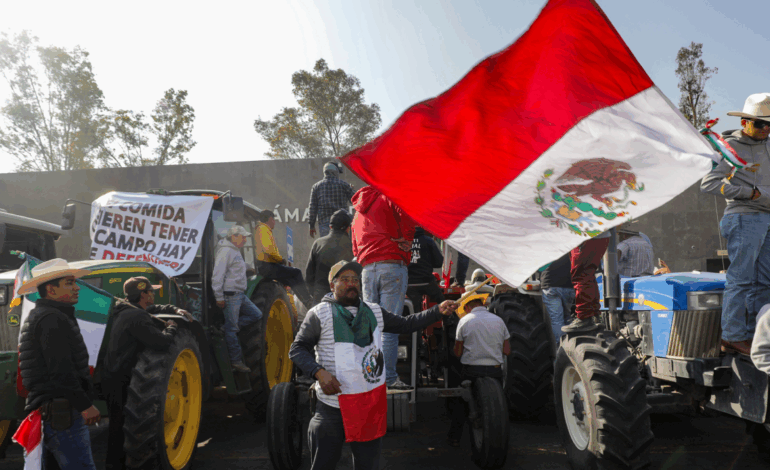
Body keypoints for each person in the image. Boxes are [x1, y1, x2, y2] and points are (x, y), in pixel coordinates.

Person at [289, 260, 459, 470]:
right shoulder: (318, 313)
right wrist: (318, 372)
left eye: (355, 280)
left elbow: (407, 324)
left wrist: (437, 312)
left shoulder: (375, 311)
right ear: (332, 285)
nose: (351, 284)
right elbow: (297, 349)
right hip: (332, 409)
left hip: (367, 407)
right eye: (344, 279)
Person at [701, 93, 770, 355]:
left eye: (769, 124)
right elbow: (708, 184)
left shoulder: (769, 145)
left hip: (766, 218)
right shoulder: (728, 148)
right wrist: (749, 193)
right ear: (745, 122)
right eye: (761, 124)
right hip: (744, 216)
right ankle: (732, 335)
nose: (766, 129)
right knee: (740, 280)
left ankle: (756, 334)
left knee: (764, 281)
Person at [17, 259, 101, 469]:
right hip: (63, 414)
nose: (77, 288)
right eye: (69, 283)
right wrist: (85, 405)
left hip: (54, 413)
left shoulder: (48, 316)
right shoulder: (51, 319)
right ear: (51, 289)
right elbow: (61, 370)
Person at [102, 276, 190, 470]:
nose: (153, 295)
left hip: (111, 376)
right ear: (143, 294)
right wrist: (172, 328)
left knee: (116, 425)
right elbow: (161, 343)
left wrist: (174, 309)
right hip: (122, 378)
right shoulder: (137, 318)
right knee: (120, 426)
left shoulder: (126, 310)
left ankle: (114, 463)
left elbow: (154, 309)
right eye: (151, 291)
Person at [351, 186, 417, 389]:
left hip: (367, 270)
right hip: (391, 266)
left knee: (373, 327)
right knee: (389, 328)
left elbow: (354, 247)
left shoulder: (357, 213)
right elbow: (406, 213)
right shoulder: (389, 196)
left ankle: (370, 378)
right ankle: (388, 379)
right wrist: (407, 238)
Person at [447, 293, 510, 447]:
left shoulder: (465, 321)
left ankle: (455, 438)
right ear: (482, 304)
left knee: (461, 404)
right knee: (501, 405)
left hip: (471, 371)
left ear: (467, 307)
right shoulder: (499, 321)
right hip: (495, 372)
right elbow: (507, 350)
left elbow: (458, 352)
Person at [213, 225, 264, 373]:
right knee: (233, 329)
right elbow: (218, 275)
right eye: (243, 236)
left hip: (239, 293)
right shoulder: (226, 251)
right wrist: (219, 296)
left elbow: (235, 268)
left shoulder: (234, 251)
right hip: (231, 294)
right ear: (234, 237)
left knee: (256, 315)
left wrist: (248, 267)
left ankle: (225, 329)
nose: (245, 239)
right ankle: (235, 361)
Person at [256, 210, 314, 308]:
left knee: (291, 279)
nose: (274, 222)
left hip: (266, 265)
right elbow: (269, 250)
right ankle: (308, 300)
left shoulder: (260, 229)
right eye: (273, 219)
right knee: (296, 272)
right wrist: (280, 259)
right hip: (267, 266)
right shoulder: (263, 229)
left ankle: (306, 301)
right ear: (270, 219)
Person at [562, 232, 611, 333]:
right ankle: (593, 315)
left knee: (581, 275)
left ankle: (584, 317)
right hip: (597, 234)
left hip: (585, 235)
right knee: (587, 274)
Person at [306, 209, 354, 303]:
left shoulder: (318, 243)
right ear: (348, 228)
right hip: (345, 300)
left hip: (320, 299)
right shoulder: (352, 245)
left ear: (330, 227)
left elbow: (309, 275)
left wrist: (315, 295)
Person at [308, 161, 355, 239]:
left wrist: (311, 225)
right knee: (344, 247)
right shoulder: (344, 185)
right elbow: (355, 200)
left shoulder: (316, 187)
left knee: (328, 248)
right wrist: (351, 190)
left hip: (325, 224)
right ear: (335, 172)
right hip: (343, 223)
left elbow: (312, 207)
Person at [406, 227, 445, 311]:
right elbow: (439, 263)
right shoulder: (429, 241)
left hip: (409, 283)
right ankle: (448, 322)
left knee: (415, 312)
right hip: (427, 281)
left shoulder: (404, 241)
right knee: (443, 303)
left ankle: (417, 322)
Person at [540, 252, 575, 343]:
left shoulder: (547, 246)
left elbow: (539, 267)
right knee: (567, 318)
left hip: (550, 284)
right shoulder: (569, 244)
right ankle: (571, 347)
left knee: (557, 320)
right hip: (568, 285)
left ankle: (562, 351)